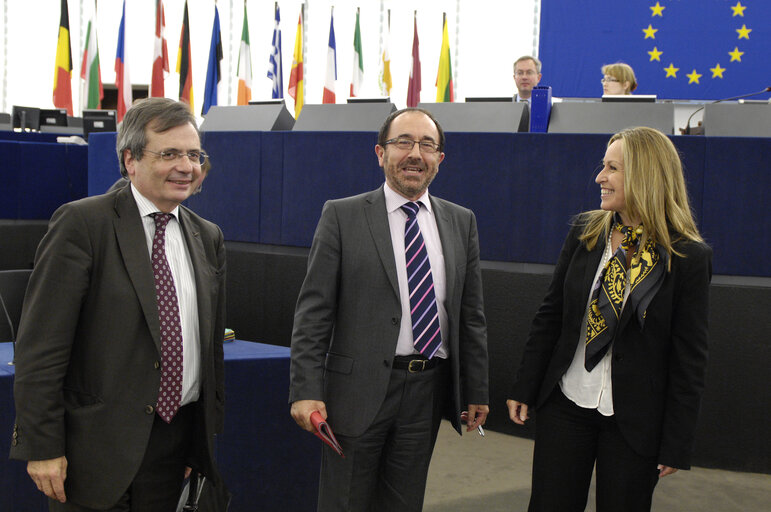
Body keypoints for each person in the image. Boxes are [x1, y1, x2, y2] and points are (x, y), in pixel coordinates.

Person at [10, 97, 227, 512]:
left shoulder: (208, 237)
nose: (187, 166)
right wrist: (42, 445)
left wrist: (197, 445)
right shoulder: (82, 224)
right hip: (91, 452)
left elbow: (209, 346)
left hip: (173, 447)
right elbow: (40, 348)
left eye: (194, 154)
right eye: (169, 154)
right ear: (130, 160)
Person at [289, 107, 489, 511]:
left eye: (427, 145)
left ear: (439, 159)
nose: (415, 154)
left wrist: (476, 388)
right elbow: (314, 313)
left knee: (404, 503)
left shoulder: (461, 221)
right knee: (345, 502)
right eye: (403, 143)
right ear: (380, 153)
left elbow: (471, 316)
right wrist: (306, 390)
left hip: (427, 392)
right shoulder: (342, 215)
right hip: (355, 393)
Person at [507, 126, 711, 512]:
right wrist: (524, 386)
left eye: (612, 168)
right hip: (566, 404)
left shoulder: (688, 257)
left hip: (635, 420)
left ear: (644, 176)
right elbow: (551, 316)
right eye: (604, 166)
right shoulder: (585, 232)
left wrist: (676, 440)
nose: (600, 177)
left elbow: (690, 358)